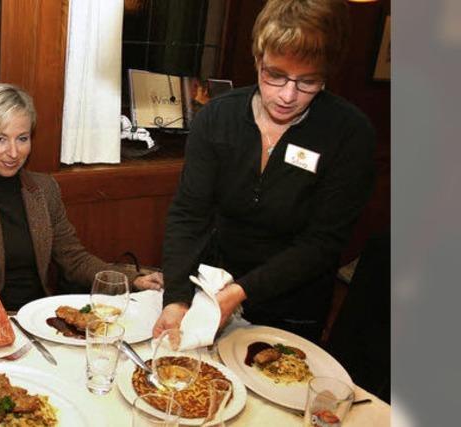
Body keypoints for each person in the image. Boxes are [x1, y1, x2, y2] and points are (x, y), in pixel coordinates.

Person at [153, 0, 375, 342]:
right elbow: (188, 214)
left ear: (326, 74)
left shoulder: (350, 134)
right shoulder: (217, 119)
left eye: (308, 82)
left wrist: (241, 292)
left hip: (292, 306)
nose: (287, 95)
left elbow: (323, 243)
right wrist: (177, 299)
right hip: (213, 289)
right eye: (275, 75)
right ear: (258, 59)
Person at [0, 83, 163, 347]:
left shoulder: (45, 189)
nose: (14, 153)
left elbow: (73, 258)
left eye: (22, 138)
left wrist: (133, 279)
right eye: (0, 139)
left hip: (41, 323)